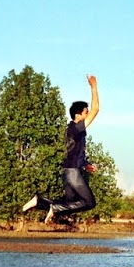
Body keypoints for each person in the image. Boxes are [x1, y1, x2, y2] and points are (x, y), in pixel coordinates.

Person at [22, 74, 99, 222]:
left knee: (69, 203)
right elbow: (96, 110)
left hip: (67, 171)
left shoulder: (70, 129)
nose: (88, 114)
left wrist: (86, 164)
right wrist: (94, 87)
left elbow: (73, 151)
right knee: (89, 202)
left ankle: (39, 201)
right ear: (78, 115)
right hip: (73, 173)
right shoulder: (76, 128)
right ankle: (54, 208)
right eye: (85, 112)